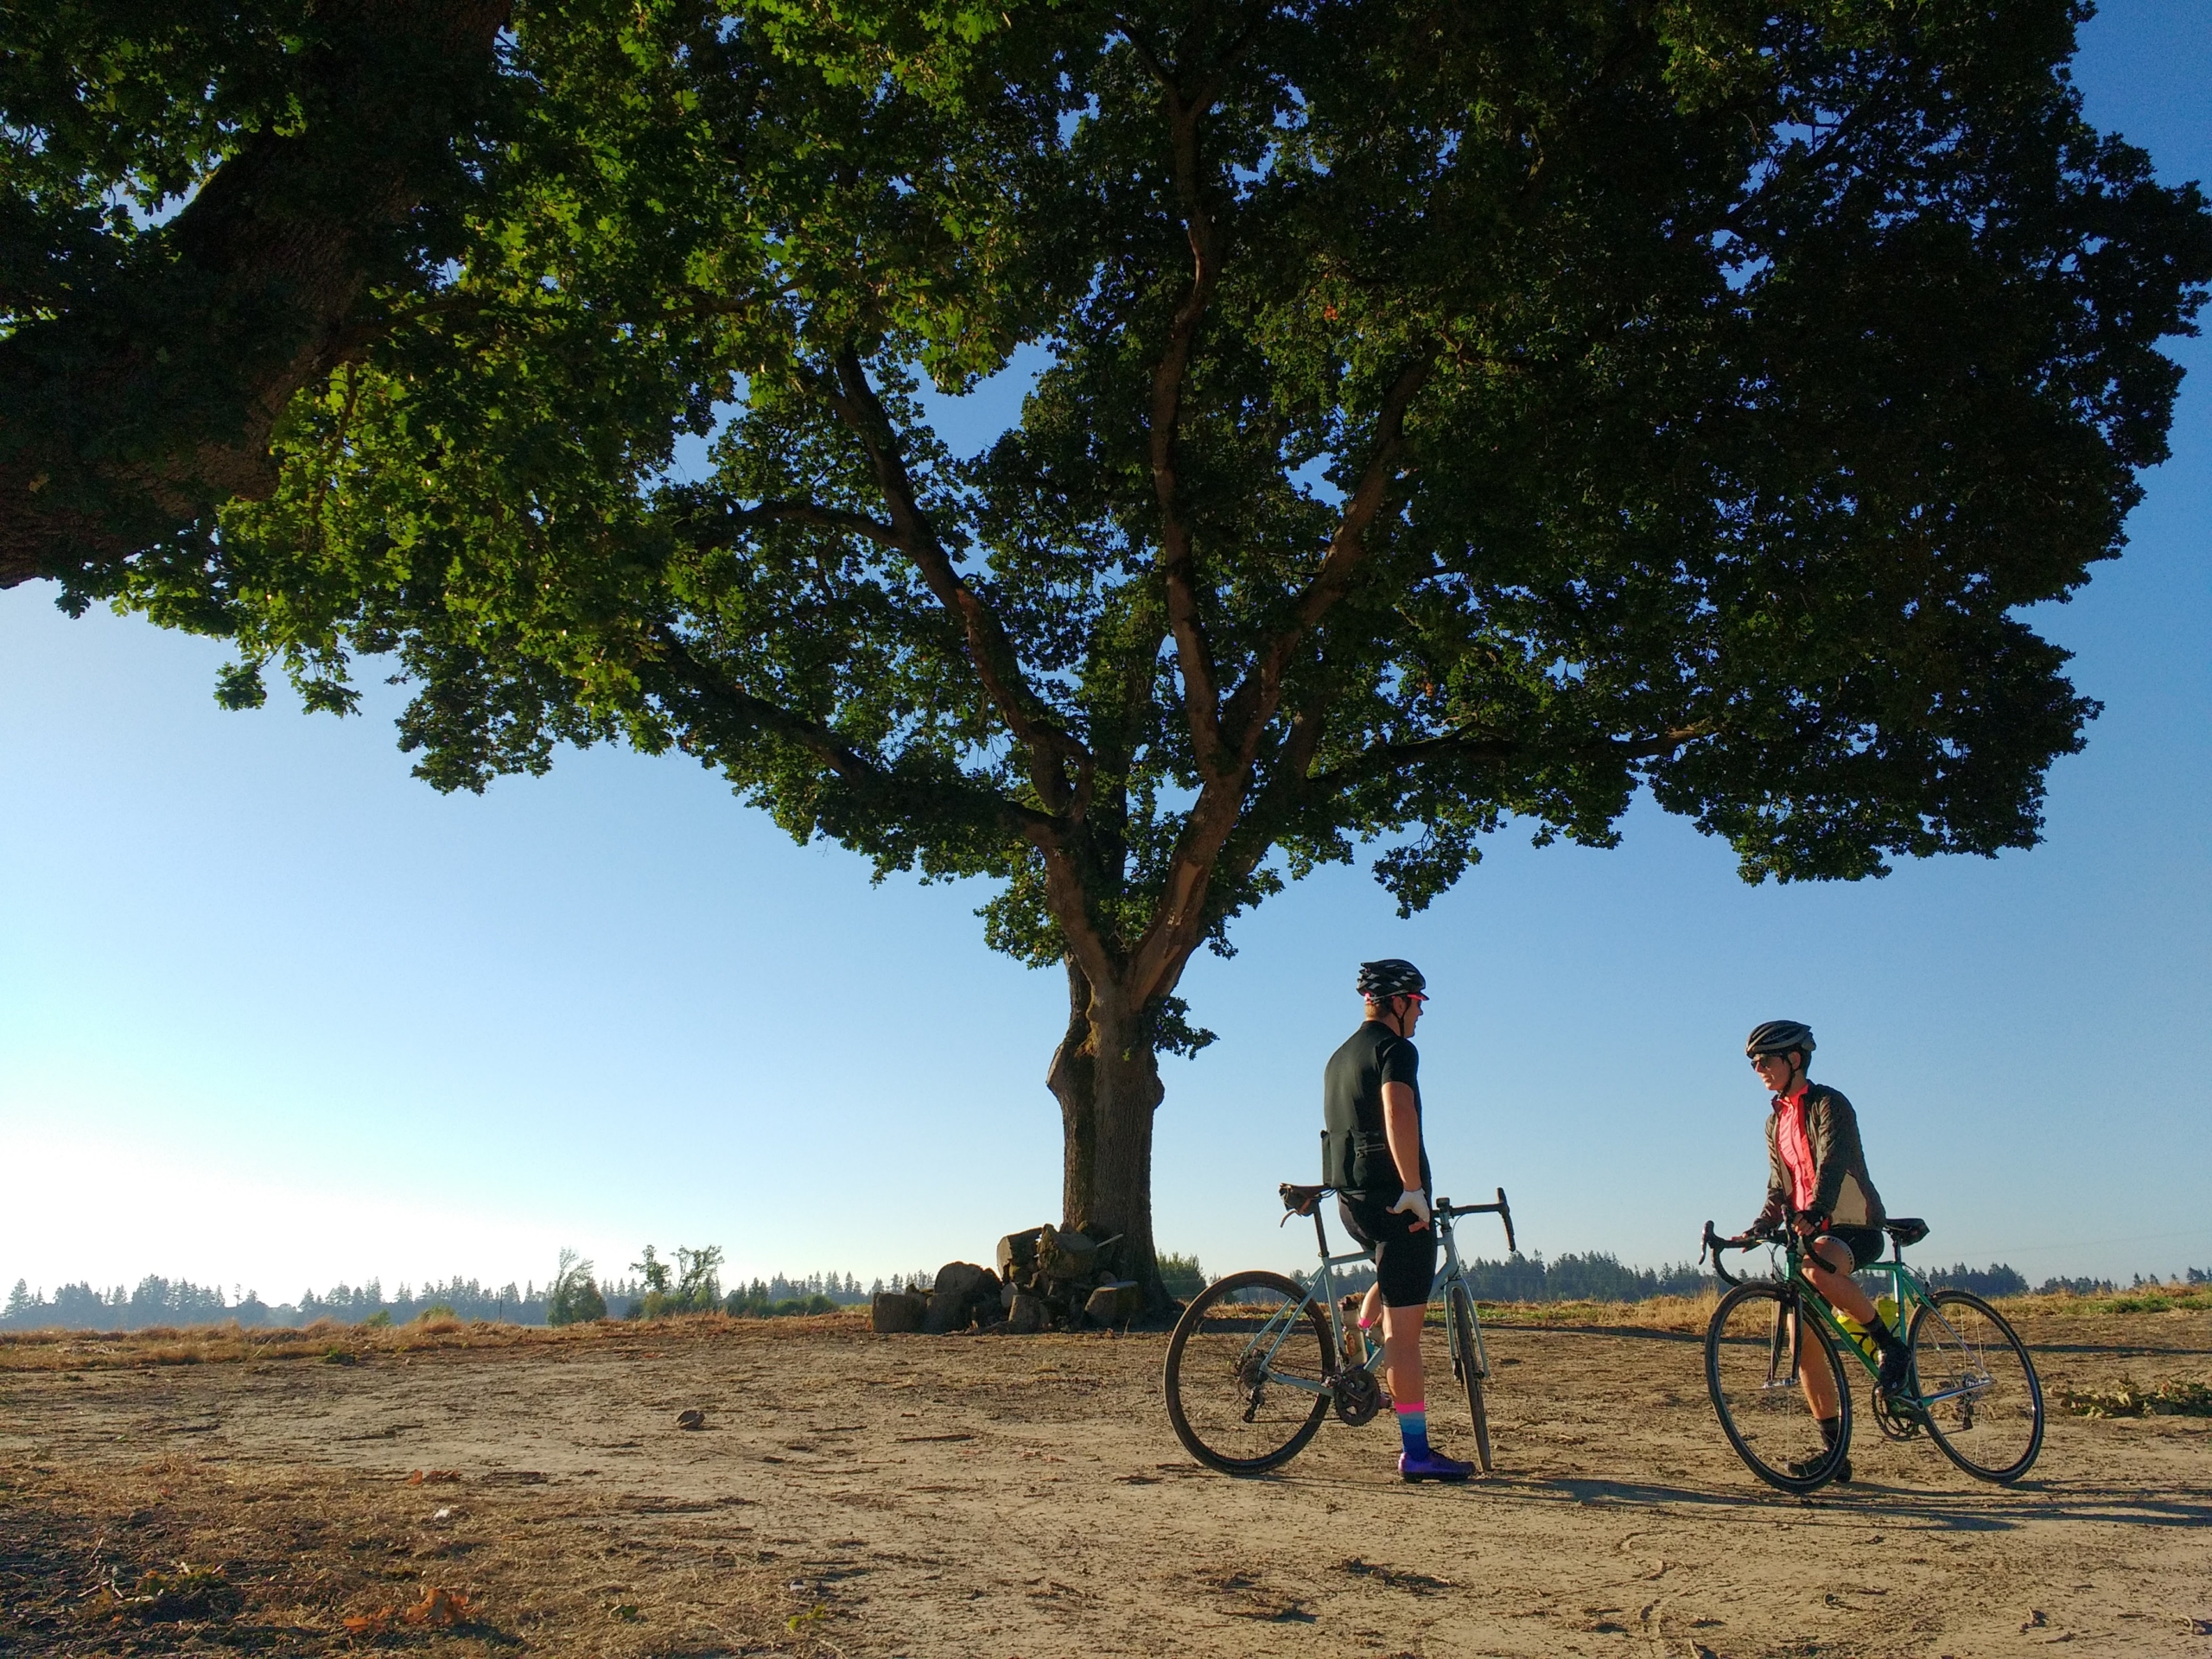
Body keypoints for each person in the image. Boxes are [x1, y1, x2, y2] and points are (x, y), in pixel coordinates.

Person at [1738, 1019, 1910, 1483]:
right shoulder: (1776, 1119)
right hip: (1810, 1233)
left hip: (1853, 1226)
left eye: (1765, 1060)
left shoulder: (1830, 1104)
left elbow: (1833, 1161)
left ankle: (1890, 1347)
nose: (1758, 1069)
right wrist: (1757, 1227)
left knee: (1816, 1268)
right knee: (1802, 1339)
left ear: (1794, 1059)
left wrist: (1816, 1210)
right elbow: (1779, 1186)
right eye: (1753, 1063)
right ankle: (1835, 1454)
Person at [1323, 958, 1472, 1482]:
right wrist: (1413, 1189)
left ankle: (1360, 1333)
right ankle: (1417, 1453)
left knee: (1392, 1279)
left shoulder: (1340, 1057)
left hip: (1353, 1202)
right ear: (1398, 1002)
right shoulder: (1396, 1049)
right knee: (1406, 1337)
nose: (1421, 1014)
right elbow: (1397, 1111)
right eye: (1419, 1003)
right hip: (1394, 1201)